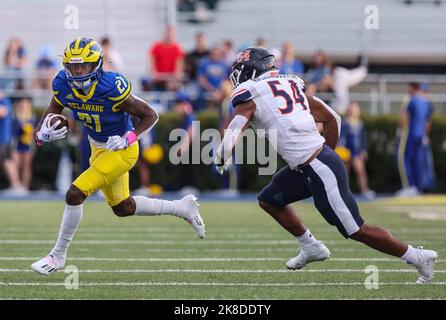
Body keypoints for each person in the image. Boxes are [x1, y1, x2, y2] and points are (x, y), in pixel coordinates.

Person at [214, 47, 438, 284]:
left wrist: (221, 155)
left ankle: (416, 256)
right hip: (311, 164)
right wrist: (326, 151)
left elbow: (232, 132)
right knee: (270, 199)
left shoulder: (250, 93)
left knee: (355, 230)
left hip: (317, 166)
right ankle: (311, 247)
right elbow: (333, 118)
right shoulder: (290, 84)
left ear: (250, 70)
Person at [31, 37, 205, 276]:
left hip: (121, 149)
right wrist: (42, 135)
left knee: (75, 193)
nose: (77, 71)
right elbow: (52, 111)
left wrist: (129, 138)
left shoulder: (111, 85)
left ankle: (58, 255)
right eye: (72, 66)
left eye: (83, 66)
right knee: (123, 207)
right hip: (97, 147)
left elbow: (150, 115)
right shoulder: (62, 83)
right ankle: (182, 208)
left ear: (97, 65)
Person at [396, 82, 434, 196]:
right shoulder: (427, 103)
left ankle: (409, 187)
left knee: (404, 159)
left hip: (410, 134)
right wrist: (425, 135)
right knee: (418, 162)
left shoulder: (412, 100)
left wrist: (399, 131)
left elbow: (404, 117)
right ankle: (418, 187)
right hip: (421, 136)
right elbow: (428, 122)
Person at [339, 102, 375, 199]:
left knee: (360, 171)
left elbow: (362, 138)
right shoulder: (344, 123)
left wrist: (364, 149)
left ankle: (364, 190)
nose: (353, 111)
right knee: (344, 172)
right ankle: (343, 191)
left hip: (357, 151)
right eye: (351, 109)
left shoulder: (360, 123)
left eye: (355, 109)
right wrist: (341, 150)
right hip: (346, 151)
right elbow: (342, 138)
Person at [11, 96, 37, 191]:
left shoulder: (32, 116)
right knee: (15, 164)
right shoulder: (15, 115)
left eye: (25, 103)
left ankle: (25, 187)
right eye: (21, 104)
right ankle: (16, 185)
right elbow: (13, 130)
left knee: (26, 165)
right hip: (17, 143)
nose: (23, 105)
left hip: (28, 144)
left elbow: (36, 130)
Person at [148, 26, 184, 91]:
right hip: (159, 79)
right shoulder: (157, 46)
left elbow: (178, 65)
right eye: (168, 33)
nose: (169, 35)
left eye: (171, 33)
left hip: (171, 80)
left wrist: (175, 75)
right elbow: (152, 62)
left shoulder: (177, 47)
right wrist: (154, 73)